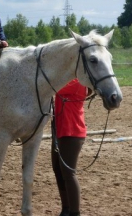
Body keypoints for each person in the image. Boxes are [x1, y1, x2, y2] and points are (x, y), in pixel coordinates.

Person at [51, 79, 88, 216]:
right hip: (60, 131)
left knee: (68, 173)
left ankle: (74, 212)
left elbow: (52, 86)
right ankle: (65, 209)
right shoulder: (70, 81)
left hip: (72, 133)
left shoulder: (77, 83)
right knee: (58, 170)